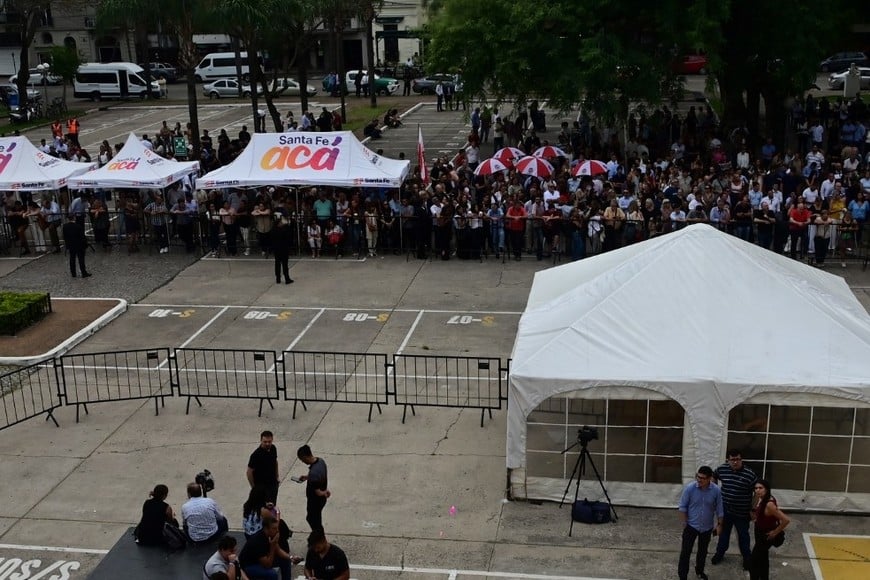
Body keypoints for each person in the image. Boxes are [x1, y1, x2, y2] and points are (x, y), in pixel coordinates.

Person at [711, 450, 757, 570]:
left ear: (741, 460)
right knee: (723, 535)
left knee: (743, 536)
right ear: (728, 460)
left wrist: (752, 508)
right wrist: (715, 491)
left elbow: (756, 493)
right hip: (726, 511)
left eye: (738, 459)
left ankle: (747, 558)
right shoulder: (722, 469)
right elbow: (714, 476)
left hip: (742, 513)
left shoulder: (749, 474)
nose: (735, 462)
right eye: (733, 460)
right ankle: (719, 554)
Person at [678, 466, 723, 580]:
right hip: (691, 526)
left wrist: (719, 525)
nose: (699, 480)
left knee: (702, 552)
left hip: (707, 528)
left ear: (709, 478)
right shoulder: (690, 488)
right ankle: (683, 576)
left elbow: (720, 509)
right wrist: (684, 524)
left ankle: (700, 571)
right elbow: (682, 507)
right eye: (698, 477)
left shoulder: (716, 490)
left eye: (702, 478)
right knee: (685, 553)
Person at [748, 479, 790, 580]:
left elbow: (786, 520)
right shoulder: (761, 498)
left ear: (766, 489)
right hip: (759, 531)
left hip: (765, 536)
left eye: (760, 488)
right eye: (756, 488)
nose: (757, 490)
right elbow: (756, 510)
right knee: (763, 560)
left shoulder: (769, 504)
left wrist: (775, 533)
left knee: (753, 563)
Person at [238, 515, 301, 580]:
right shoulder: (258, 541)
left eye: (277, 528)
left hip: (259, 561)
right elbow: (267, 564)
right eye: (274, 528)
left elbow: (278, 550)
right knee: (272, 574)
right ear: (266, 528)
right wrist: (272, 546)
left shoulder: (271, 534)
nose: (277, 531)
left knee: (286, 560)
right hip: (248, 565)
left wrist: (291, 557)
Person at [297, 444, 330, 533]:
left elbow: (318, 492)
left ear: (305, 457)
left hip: (315, 502)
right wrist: (307, 477)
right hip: (321, 500)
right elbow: (318, 476)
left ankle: (319, 539)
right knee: (316, 519)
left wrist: (325, 492)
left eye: (302, 459)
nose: (302, 462)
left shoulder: (314, 475)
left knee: (313, 521)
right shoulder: (320, 461)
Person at [247, 430, 279, 504]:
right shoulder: (256, 455)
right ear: (261, 440)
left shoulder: (273, 448)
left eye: (269, 441)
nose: (267, 444)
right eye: (265, 442)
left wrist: (277, 476)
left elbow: (275, 461)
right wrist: (254, 488)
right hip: (262, 487)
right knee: (264, 508)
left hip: (272, 484)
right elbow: (249, 472)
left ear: (272, 440)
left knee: (272, 505)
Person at [271, 214, 294, 284]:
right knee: (284, 264)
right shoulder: (283, 230)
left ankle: (278, 278)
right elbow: (288, 237)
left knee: (277, 264)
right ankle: (287, 278)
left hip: (276, 249)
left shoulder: (273, 230)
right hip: (283, 249)